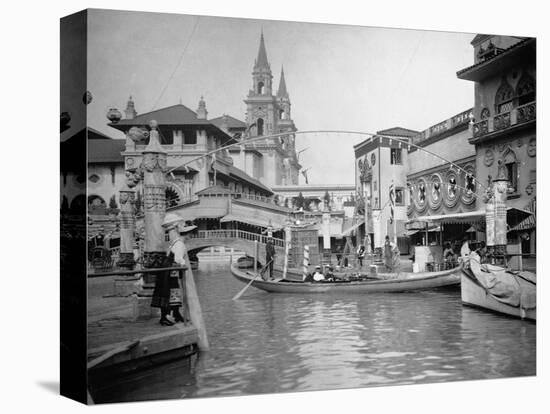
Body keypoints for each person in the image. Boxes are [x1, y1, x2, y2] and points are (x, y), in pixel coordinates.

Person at [151, 214, 194, 326]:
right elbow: (177, 258)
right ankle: (164, 317)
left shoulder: (175, 243)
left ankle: (175, 313)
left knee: (173, 293)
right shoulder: (180, 244)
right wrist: (184, 265)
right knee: (169, 293)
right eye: (190, 235)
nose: (190, 237)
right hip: (171, 272)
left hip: (168, 271)